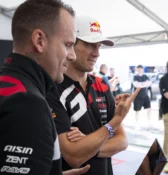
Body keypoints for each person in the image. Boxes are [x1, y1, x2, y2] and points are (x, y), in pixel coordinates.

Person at [0, 0, 90, 174]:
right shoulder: (27, 104)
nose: (72, 56)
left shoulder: (10, 84)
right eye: (68, 45)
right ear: (39, 40)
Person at [46, 16, 139, 175]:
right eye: (89, 44)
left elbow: (122, 141)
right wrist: (114, 123)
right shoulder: (52, 89)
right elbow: (73, 156)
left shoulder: (101, 85)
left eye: (99, 46)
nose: (96, 53)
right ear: (70, 44)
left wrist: (87, 144)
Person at [133, 65, 152, 131]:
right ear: (137, 69)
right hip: (138, 96)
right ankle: (137, 124)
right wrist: (144, 84)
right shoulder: (135, 76)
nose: (141, 70)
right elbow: (136, 85)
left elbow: (149, 83)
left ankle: (149, 123)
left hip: (145, 95)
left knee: (149, 109)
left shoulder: (145, 76)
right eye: (139, 68)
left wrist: (141, 84)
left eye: (142, 68)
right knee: (137, 111)